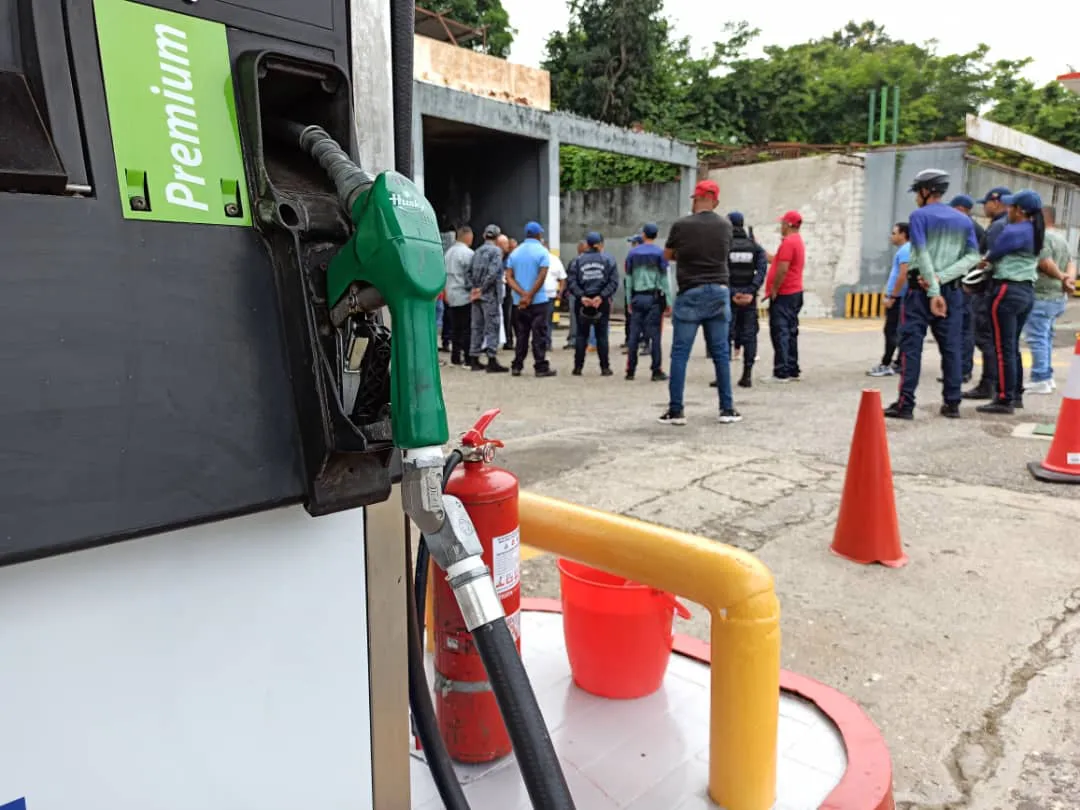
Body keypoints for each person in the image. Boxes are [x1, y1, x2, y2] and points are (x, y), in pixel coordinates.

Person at [884, 169, 979, 420]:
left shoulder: (918, 216)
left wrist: (933, 284)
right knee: (951, 348)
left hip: (920, 291)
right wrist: (944, 277)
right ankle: (952, 403)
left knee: (911, 347)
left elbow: (922, 254)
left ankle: (905, 405)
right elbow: (972, 257)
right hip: (953, 292)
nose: (916, 196)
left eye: (917, 191)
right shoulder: (964, 220)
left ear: (926, 191)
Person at [658, 179, 741, 425]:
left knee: (680, 354)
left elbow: (668, 255)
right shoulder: (726, 226)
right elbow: (724, 253)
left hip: (690, 291)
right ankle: (727, 409)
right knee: (720, 353)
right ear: (715, 201)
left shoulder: (681, 225)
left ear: (695, 199)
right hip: (718, 291)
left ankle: (676, 410)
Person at [974, 190, 1044, 415]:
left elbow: (991, 256)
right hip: (1026, 292)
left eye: (1011, 207)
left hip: (1006, 290)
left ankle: (1004, 398)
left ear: (1020, 210)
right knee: (1012, 346)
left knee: (1003, 347)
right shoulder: (1036, 230)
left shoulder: (1014, 230)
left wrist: (981, 264)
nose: (1008, 211)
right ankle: (1016, 394)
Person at [963, 187, 1011, 400]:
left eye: (986, 203)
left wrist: (972, 284)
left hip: (988, 290)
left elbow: (987, 262)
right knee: (998, 340)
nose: (984, 207)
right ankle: (997, 385)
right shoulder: (1010, 224)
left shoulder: (998, 227)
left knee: (985, 337)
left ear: (997, 202)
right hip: (1001, 289)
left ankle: (988, 384)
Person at [1024, 206, 1077, 395]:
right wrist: (1068, 279)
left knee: (1037, 337)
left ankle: (1040, 378)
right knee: (1045, 336)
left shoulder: (1043, 237)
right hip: (1057, 298)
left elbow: (1045, 263)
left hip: (1042, 295)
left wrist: (1062, 277)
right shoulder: (1062, 239)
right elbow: (1072, 262)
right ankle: (1047, 376)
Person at [722, 212, 767, 388]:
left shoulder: (725, 246)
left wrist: (733, 292)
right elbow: (762, 270)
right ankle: (747, 375)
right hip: (749, 299)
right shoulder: (755, 247)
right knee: (750, 336)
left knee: (725, 336)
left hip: (730, 297)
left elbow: (721, 270)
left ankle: (723, 377)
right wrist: (751, 291)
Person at [506, 222, 556, 377]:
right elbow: (542, 276)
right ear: (539, 235)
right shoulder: (542, 252)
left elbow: (508, 277)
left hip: (518, 302)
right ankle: (540, 366)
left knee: (521, 335)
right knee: (539, 334)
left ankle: (517, 365)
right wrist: (530, 295)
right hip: (539, 301)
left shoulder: (515, 253)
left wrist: (522, 294)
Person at [762, 211, 806, 383]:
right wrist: (760, 250)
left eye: (782, 224)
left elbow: (782, 268)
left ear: (788, 224)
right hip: (795, 292)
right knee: (791, 331)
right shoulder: (797, 241)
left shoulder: (788, 242)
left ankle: (781, 371)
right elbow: (777, 260)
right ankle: (792, 368)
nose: (780, 227)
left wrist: (774, 289)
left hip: (785, 293)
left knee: (780, 331)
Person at [567, 232, 619, 376]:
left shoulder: (577, 261)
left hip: (582, 302)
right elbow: (613, 282)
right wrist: (601, 297)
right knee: (602, 335)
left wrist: (582, 296)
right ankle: (605, 368)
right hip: (600, 303)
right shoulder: (608, 260)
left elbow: (571, 282)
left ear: (587, 244)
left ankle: (578, 368)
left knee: (581, 335)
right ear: (600, 244)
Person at [624, 223, 670, 382]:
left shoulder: (632, 254)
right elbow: (665, 280)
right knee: (655, 335)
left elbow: (628, 279)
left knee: (634, 335)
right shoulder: (660, 254)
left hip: (637, 297)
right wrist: (669, 302)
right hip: (654, 298)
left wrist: (629, 300)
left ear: (643, 235)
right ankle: (656, 370)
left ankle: (630, 370)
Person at [948, 194, 986, 385]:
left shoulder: (969, 228)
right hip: (965, 283)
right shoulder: (972, 227)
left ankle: (963, 370)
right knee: (961, 327)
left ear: (961, 209)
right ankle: (960, 368)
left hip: (967, 285)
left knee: (964, 328)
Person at [867, 222, 910, 377]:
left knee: (892, 330)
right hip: (897, 297)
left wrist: (893, 296)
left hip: (898, 298)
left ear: (903, 234)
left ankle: (887, 363)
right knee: (895, 330)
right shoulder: (903, 250)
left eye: (894, 233)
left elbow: (903, 275)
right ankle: (898, 362)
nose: (892, 236)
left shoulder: (905, 250)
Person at [467, 224, 510, 373]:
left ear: (484, 236)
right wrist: (482, 288)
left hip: (476, 295)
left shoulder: (477, 252)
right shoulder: (496, 252)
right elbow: (493, 273)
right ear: (498, 237)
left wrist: (473, 288)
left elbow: (468, 271)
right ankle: (491, 359)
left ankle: (474, 358)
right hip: (490, 295)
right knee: (492, 327)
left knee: (476, 326)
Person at [443, 226, 475, 367]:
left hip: (450, 295)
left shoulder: (448, 253)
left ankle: (455, 356)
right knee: (467, 328)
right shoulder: (467, 253)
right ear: (468, 237)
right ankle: (468, 357)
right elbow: (471, 275)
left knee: (455, 328)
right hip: (464, 295)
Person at [541, 240, 567, 351]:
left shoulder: (554, 260)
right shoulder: (554, 259)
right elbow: (562, 279)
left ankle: (546, 343)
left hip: (548, 295)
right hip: (539, 294)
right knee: (545, 321)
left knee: (545, 321)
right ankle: (543, 343)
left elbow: (562, 278)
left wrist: (560, 292)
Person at [564, 239, 588, 350]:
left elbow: (569, 278)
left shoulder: (574, 261)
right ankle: (585, 340)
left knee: (574, 318)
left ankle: (574, 340)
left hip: (575, 294)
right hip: (588, 294)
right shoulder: (590, 261)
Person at [502, 237, 519, 351]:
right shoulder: (506, 258)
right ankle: (509, 340)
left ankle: (515, 341)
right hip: (508, 291)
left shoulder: (516, 259)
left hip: (515, 290)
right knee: (507, 318)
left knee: (515, 319)